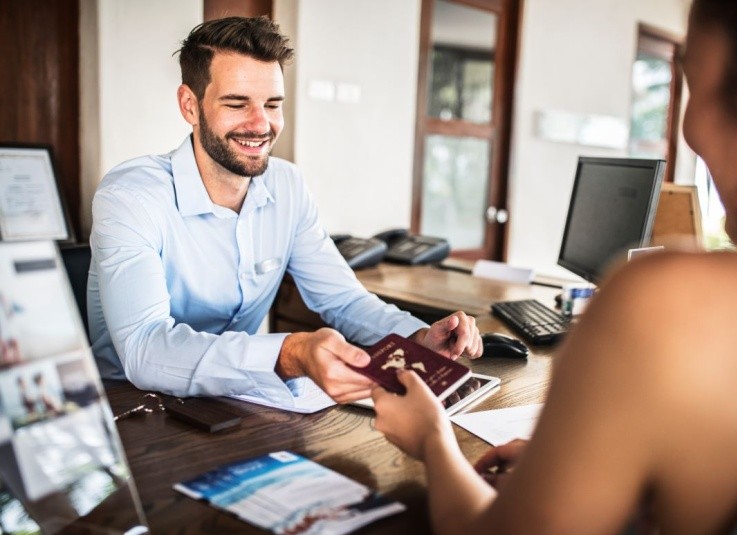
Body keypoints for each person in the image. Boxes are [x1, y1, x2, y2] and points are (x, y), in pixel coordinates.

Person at [372, 0, 737, 535]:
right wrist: (622, 481)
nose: (688, 131)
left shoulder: (674, 303)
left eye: (694, 85)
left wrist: (432, 439)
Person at [88, 16, 482, 411]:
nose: (261, 124)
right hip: (133, 410)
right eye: (237, 103)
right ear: (190, 106)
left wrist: (417, 337)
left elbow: (343, 300)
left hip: (236, 402)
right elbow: (144, 347)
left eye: (272, 105)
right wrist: (289, 353)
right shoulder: (131, 197)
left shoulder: (287, 186)